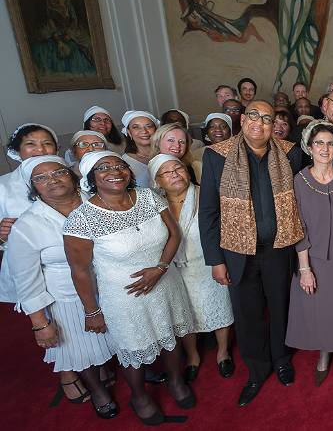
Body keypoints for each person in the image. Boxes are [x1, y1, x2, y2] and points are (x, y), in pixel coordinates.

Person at [64, 151, 194, 425]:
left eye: (120, 165)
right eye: (103, 168)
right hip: (125, 296)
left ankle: (175, 380)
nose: (114, 171)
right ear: (91, 178)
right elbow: (80, 270)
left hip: (165, 281)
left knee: (171, 335)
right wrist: (92, 311)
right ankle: (139, 396)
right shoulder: (81, 219)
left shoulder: (148, 197)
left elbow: (174, 234)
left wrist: (160, 268)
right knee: (134, 347)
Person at [199, 100, 304, 406]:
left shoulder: (289, 152)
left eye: (267, 119)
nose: (260, 123)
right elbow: (208, 211)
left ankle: (281, 359)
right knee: (248, 314)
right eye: (254, 116)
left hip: (279, 248)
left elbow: (299, 202)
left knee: (281, 306)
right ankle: (257, 370)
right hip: (237, 251)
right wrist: (215, 260)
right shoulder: (217, 155)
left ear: (274, 125)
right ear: (243, 120)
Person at [7, 155, 119, 419]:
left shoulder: (98, 202)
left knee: (114, 338)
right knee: (80, 348)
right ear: (33, 187)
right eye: (41, 178)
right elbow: (26, 279)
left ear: (72, 175)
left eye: (58, 172)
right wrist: (40, 323)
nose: (52, 180)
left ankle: (110, 366)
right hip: (67, 298)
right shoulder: (27, 225)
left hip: (112, 286)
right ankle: (97, 390)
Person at [149, 154, 234, 384]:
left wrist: (221, 262)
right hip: (175, 269)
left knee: (220, 307)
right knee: (185, 314)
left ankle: (223, 352)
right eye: (167, 172)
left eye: (178, 168)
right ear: (157, 180)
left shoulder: (205, 194)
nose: (175, 174)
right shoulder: (154, 205)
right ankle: (193, 357)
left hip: (210, 264)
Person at [286, 121, 333, 386]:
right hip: (312, 259)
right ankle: (325, 354)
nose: (325, 148)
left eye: (330, 143)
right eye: (319, 143)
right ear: (309, 147)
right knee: (319, 310)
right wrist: (304, 269)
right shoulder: (299, 180)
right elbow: (297, 226)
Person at [1, 123, 60, 302]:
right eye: (30, 144)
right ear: (17, 150)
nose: (40, 150)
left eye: (47, 143)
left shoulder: (71, 180)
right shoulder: (3, 186)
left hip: (66, 269)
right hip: (22, 275)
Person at [120, 111, 159, 188]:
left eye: (149, 126)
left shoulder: (167, 153)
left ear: (156, 130)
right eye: (136, 127)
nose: (144, 131)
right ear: (129, 133)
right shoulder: (124, 162)